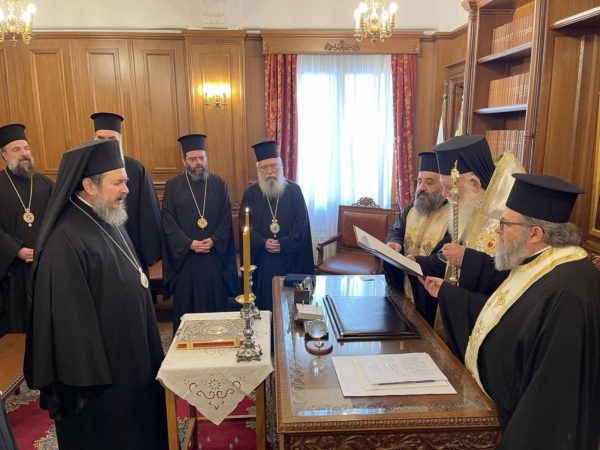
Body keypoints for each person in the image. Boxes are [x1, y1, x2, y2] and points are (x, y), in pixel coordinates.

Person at [422, 173, 600, 450]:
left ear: (535, 234)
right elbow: (507, 318)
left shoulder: (569, 291)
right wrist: (447, 294)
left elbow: (552, 395)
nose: (497, 230)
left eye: (505, 223)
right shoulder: (539, 261)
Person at [24, 140, 168, 450]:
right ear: (89, 185)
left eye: (126, 181)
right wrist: (93, 383)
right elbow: (69, 326)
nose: (126, 189)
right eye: (118, 182)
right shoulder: (66, 240)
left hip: (131, 356)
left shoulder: (107, 216)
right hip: (103, 380)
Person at [162, 134, 239, 332]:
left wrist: (214, 240)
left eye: (202, 158)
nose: (198, 163)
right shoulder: (173, 185)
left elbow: (226, 218)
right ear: (184, 161)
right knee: (187, 307)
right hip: (186, 260)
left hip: (214, 258)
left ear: (206, 158)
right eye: (193, 159)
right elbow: (168, 221)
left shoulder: (219, 183)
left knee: (216, 309)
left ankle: (219, 340)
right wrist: (189, 243)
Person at [239, 140, 314, 311]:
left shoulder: (295, 191)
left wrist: (283, 243)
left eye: (273, 166)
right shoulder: (251, 193)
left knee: (290, 305)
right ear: (259, 170)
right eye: (264, 168)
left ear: (280, 166)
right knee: (265, 299)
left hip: (290, 256)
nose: (269, 171)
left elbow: (301, 224)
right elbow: (245, 225)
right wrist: (263, 242)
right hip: (263, 257)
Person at [383, 151, 450, 326]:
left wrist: (418, 262)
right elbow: (396, 230)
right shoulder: (412, 209)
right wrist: (394, 242)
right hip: (403, 288)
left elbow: (446, 257)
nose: (421, 187)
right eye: (420, 181)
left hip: (428, 293)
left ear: (444, 186)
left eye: (430, 182)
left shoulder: (454, 217)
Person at [91, 112, 162, 275]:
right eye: (100, 139)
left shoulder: (136, 169)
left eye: (112, 139)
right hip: (95, 251)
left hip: (131, 249)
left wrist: (149, 253)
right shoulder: (83, 170)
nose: (106, 144)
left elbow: (148, 213)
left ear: (120, 140)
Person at [0, 124, 53, 336]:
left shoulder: (45, 184)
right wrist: (16, 250)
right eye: (16, 149)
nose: (24, 153)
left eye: (26, 148)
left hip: (44, 266)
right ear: (4, 155)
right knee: (18, 329)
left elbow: (61, 221)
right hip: (12, 273)